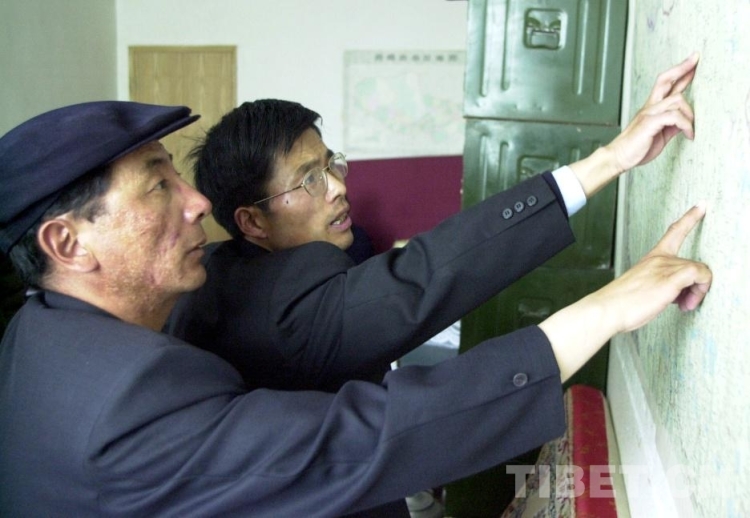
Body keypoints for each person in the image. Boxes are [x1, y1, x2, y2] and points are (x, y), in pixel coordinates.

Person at [0, 99, 710, 516]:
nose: (195, 204)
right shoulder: (128, 406)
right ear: (67, 243)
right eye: (159, 187)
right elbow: (361, 437)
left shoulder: (42, 335)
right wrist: (608, 306)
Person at [166, 54, 701, 395]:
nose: (337, 186)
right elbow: (421, 277)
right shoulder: (279, 312)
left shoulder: (225, 269)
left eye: (331, 165)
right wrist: (612, 158)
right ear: (252, 222)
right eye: (309, 180)